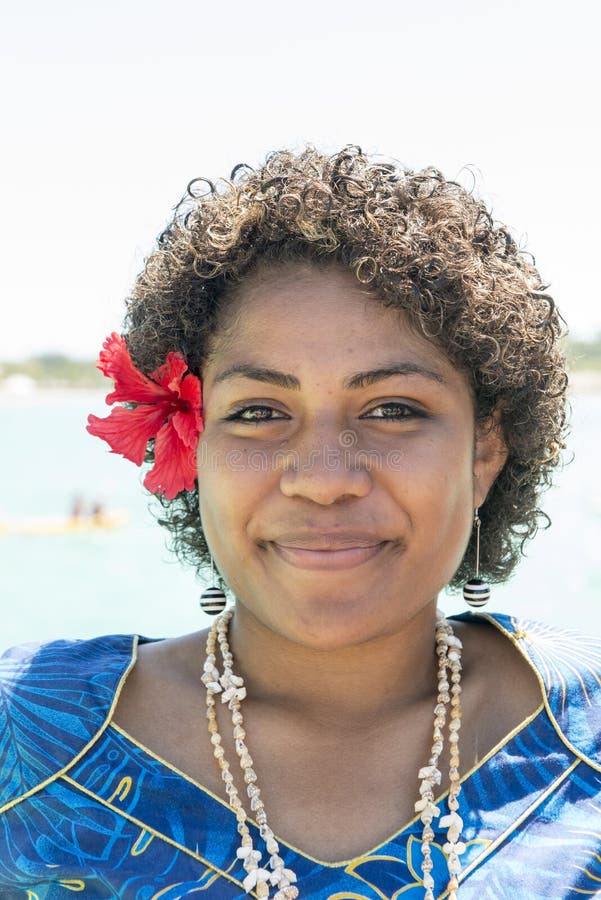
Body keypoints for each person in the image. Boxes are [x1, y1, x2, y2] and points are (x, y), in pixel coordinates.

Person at [0, 146, 599, 900]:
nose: (321, 478)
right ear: (187, 442)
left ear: (484, 451)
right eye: (257, 413)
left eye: (391, 410)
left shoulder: (589, 741)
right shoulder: (26, 736)